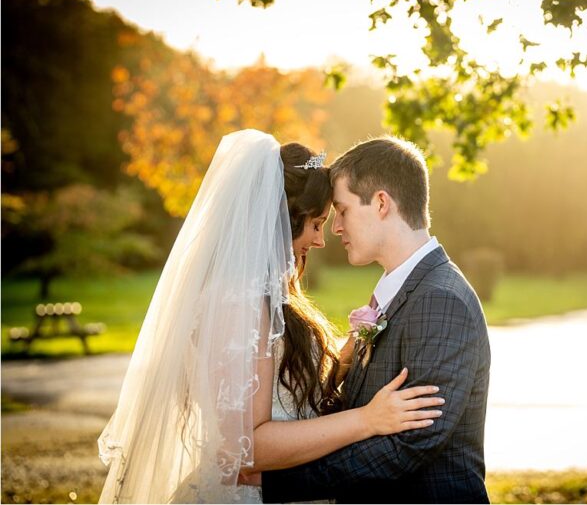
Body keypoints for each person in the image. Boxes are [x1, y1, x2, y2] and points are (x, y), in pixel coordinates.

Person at [97, 130, 442, 504]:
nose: (322, 239)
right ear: (284, 220)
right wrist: (367, 421)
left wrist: (345, 360)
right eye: (317, 224)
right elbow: (246, 448)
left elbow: (284, 397)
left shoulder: (266, 296)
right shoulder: (237, 303)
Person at [261, 136, 492, 504]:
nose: (335, 228)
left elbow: (412, 442)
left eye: (343, 210)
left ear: (381, 203)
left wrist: (275, 483)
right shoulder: (400, 292)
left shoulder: (440, 300)